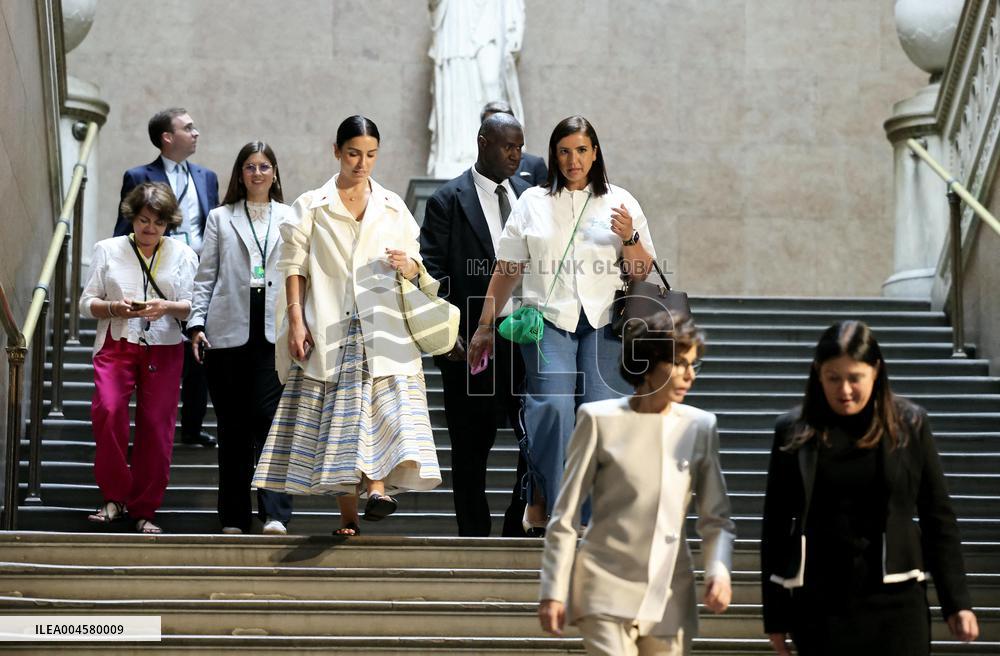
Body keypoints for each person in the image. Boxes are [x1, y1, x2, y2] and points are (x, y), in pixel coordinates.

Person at [252, 115, 441, 536]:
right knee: (338, 419)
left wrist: (408, 264)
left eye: (371, 155)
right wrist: (297, 322)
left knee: (375, 414)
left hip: (383, 325)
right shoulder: (311, 205)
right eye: (354, 153)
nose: (362, 163)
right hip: (330, 322)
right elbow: (293, 267)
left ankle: (376, 490)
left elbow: (418, 266)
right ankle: (351, 516)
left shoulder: (393, 206)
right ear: (336, 151)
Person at [467, 115, 656, 533]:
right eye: (565, 151)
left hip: (606, 322)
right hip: (548, 321)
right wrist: (484, 325)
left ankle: (584, 515)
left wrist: (628, 237)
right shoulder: (532, 201)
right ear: (554, 154)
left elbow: (642, 271)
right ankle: (553, 497)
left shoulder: (620, 202)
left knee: (598, 413)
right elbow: (507, 268)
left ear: (595, 154)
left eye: (582, 150)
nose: (574, 160)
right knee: (552, 408)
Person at [761, 320, 980, 655]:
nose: (844, 390)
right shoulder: (793, 430)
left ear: (875, 371)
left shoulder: (910, 425)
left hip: (897, 601)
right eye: (833, 378)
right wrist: (775, 616)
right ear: (818, 373)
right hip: (820, 603)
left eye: (854, 378)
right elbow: (775, 526)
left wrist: (957, 602)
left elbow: (938, 517)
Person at [537, 312, 735, 655]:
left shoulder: (700, 426)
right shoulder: (599, 420)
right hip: (604, 585)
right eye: (678, 363)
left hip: (670, 591)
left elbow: (716, 519)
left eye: (693, 365)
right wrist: (553, 590)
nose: (689, 375)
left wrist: (719, 571)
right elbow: (565, 517)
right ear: (646, 363)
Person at [420, 112, 532, 537]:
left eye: (520, 147)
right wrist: (449, 338)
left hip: (527, 340)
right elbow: (432, 274)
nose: (516, 155)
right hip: (471, 343)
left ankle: (516, 523)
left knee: (534, 438)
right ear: (483, 141)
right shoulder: (448, 199)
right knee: (471, 446)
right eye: (508, 146)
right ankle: (473, 535)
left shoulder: (529, 196)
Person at [187, 142, 295, 535]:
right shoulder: (220, 217)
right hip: (228, 329)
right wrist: (196, 324)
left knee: (271, 422)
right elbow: (206, 275)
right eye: (250, 166)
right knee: (232, 428)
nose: (258, 173)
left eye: (265, 166)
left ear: (275, 173)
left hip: (274, 330)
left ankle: (276, 514)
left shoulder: (290, 215)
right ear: (240, 173)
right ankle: (233, 516)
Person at [80, 182, 198, 534]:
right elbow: (88, 303)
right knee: (108, 410)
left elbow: (193, 305)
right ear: (132, 216)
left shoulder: (183, 254)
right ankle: (115, 497)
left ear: (169, 224)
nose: (149, 229)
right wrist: (114, 307)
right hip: (117, 342)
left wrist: (166, 307)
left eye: (158, 224)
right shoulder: (107, 249)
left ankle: (145, 509)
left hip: (164, 347)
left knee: (157, 429)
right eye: (144, 220)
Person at [113, 107, 218, 448]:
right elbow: (122, 232)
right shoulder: (138, 175)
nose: (196, 132)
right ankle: (139, 430)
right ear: (167, 138)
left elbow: (212, 230)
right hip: (157, 270)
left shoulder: (207, 176)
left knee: (198, 347)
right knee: (148, 352)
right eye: (189, 128)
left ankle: (190, 427)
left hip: (198, 272)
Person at [427, 0, 526, 178]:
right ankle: (459, 152)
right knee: (458, 84)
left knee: (491, 82)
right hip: (458, 14)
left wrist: (516, 25)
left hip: (492, 12)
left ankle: (495, 152)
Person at [480, 100, 547, 185]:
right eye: (491, 124)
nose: (499, 128)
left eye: (505, 123)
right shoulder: (473, 176)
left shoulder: (535, 165)